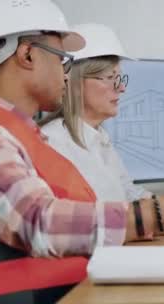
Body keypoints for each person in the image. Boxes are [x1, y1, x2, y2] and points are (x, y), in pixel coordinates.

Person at [0, 0, 164, 302]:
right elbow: (38, 223)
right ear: (28, 55)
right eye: (62, 60)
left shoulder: (15, 133)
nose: (65, 75)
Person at [39, 23, 150, 202]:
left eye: (120, 78)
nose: (121, 87)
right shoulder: (52, 142)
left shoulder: (98, 137)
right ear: (74, 81)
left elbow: (127, 192)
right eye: (110, 77)